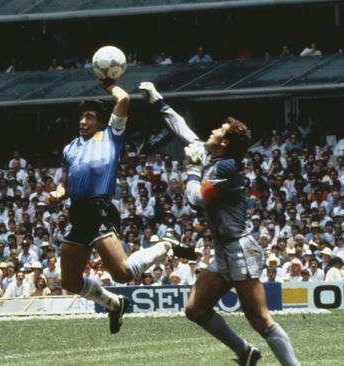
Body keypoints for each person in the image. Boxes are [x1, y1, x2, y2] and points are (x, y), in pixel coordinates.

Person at [138, 81, 299, 366]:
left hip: (241, 249)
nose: (211, 131)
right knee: (195, 309)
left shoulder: (227, 167)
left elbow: (197, 199)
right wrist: (157, 100)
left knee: (260, 319)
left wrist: (190, 170)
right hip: (225, 249)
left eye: (217, 131)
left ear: (224, 142)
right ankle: (246, 353)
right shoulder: (213, 156)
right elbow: (182, 129)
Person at [46, 79, 191, 334]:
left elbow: (123, 99)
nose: (83, 121)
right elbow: (64, 186)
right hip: (78, 213)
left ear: (101, 122)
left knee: (123, 273)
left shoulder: (111, 135)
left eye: (89, 117)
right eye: (81, 117)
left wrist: (108, 83)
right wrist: (56, 194)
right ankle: (114, 304)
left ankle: (165, 244)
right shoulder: (70, 148)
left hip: (100, 208)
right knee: (69, 280)